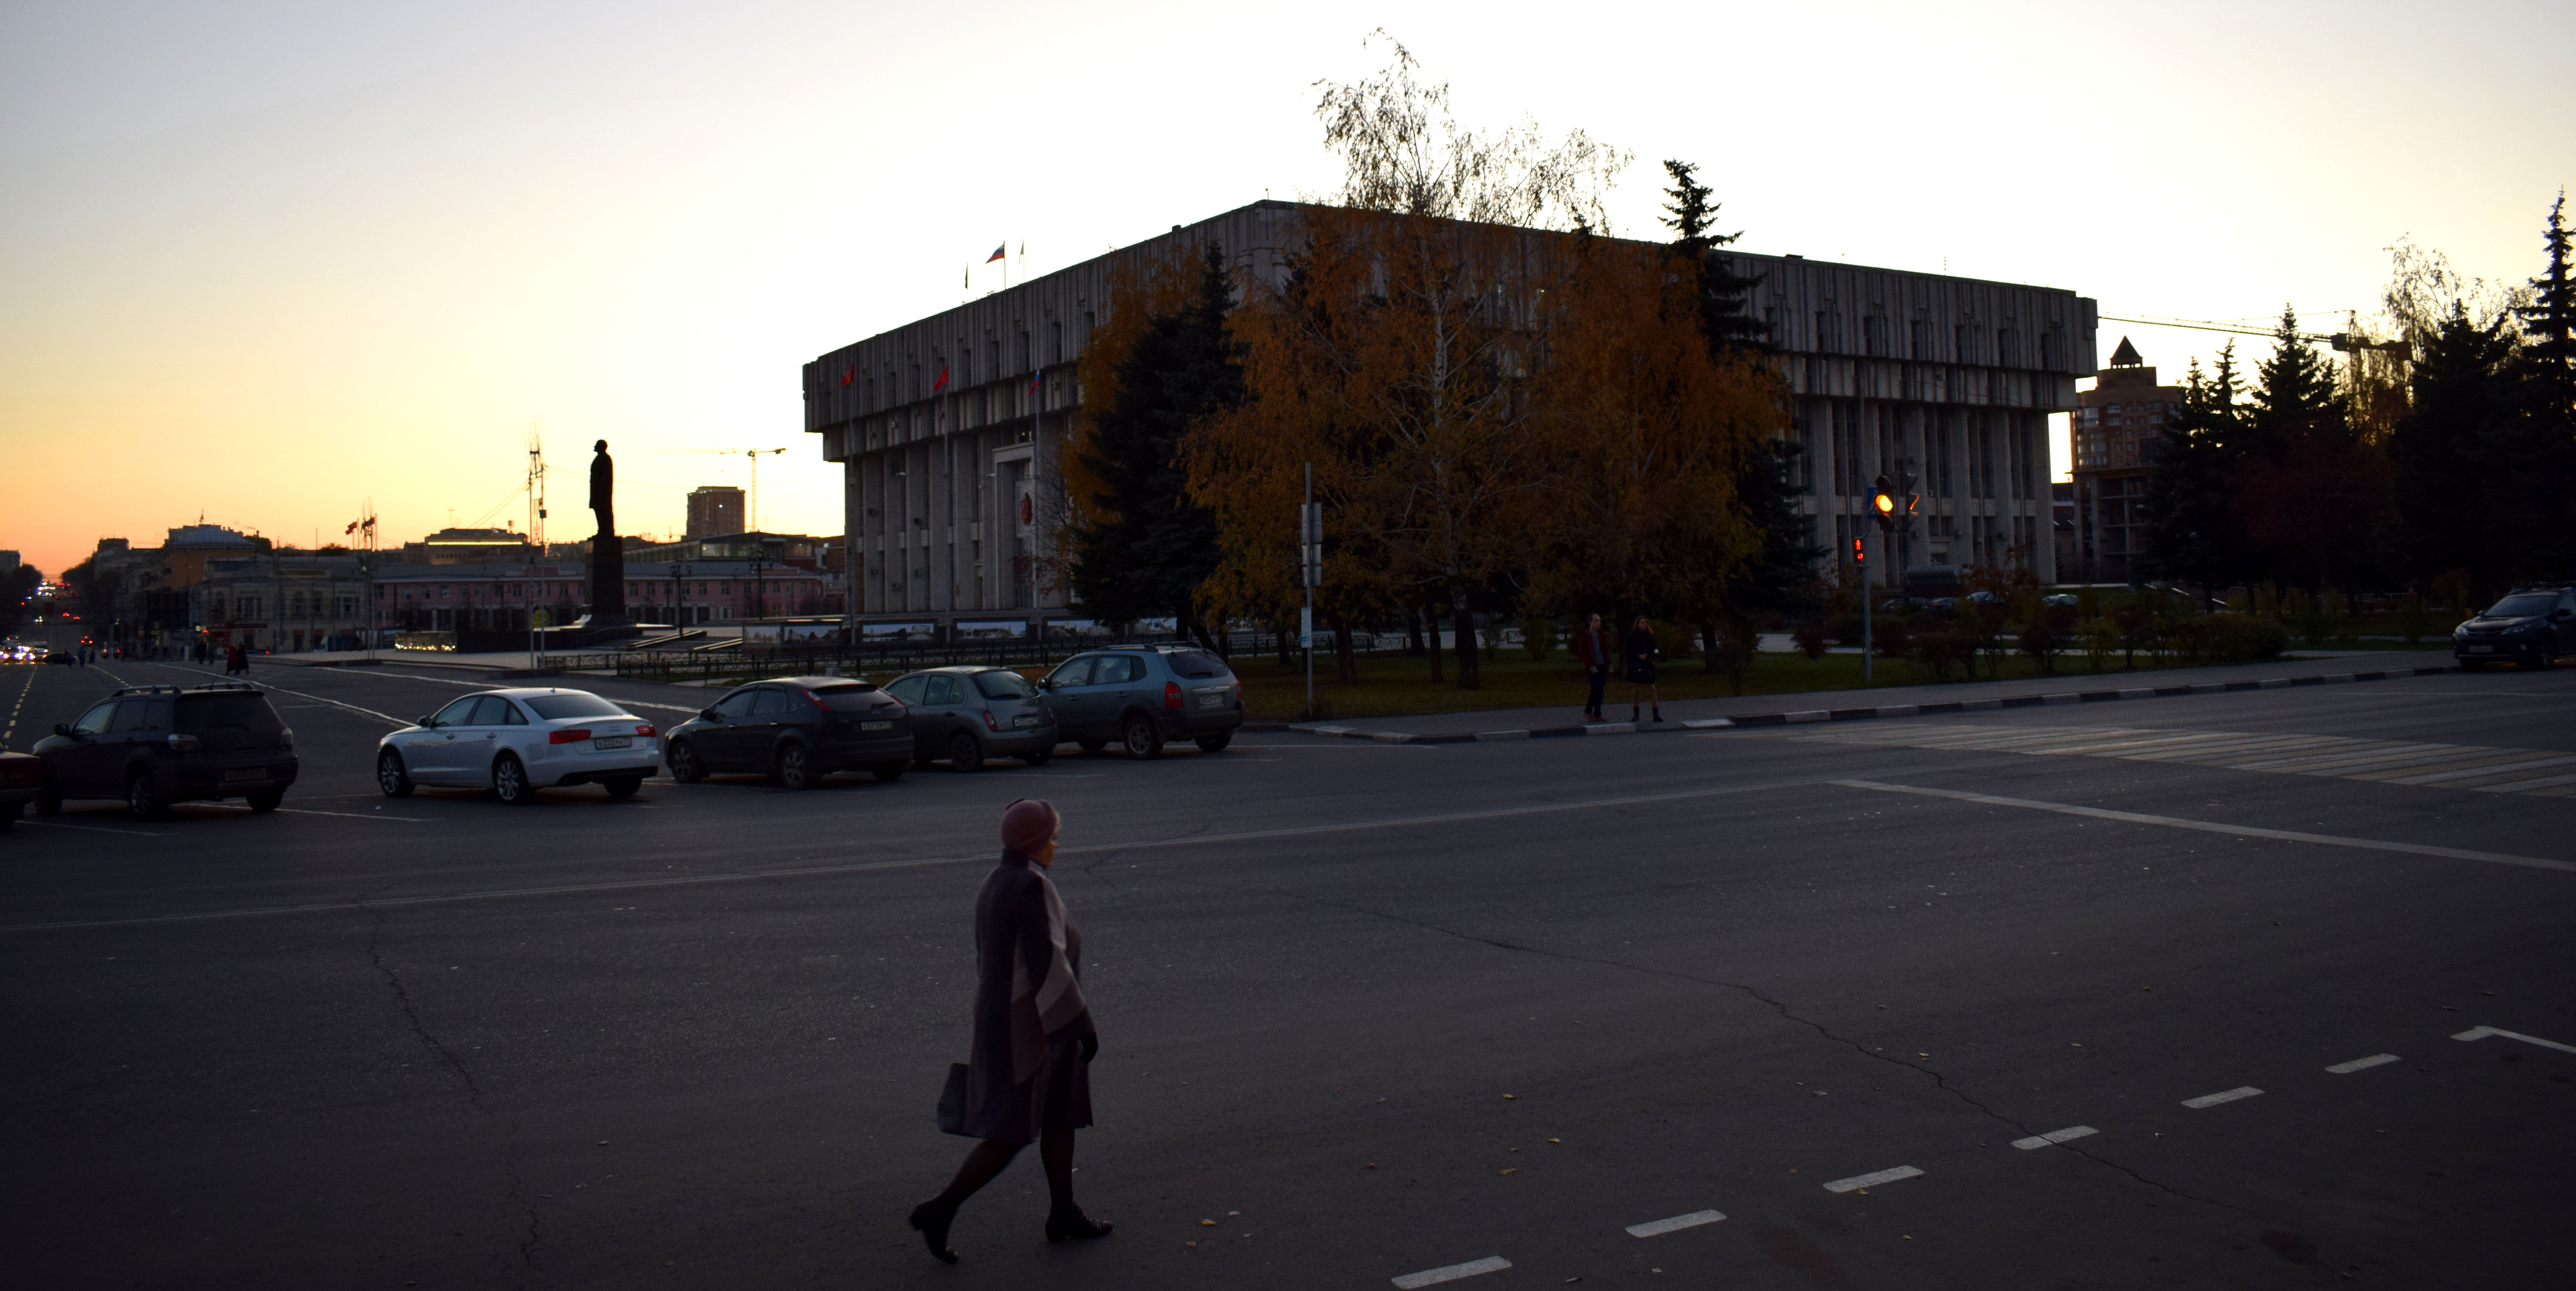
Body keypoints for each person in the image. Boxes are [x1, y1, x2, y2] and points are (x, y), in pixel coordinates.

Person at [909, 798, 1110, 1263]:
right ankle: (940, 1208)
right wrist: (1080, 1025)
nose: (1056, 844)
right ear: (1033, 841)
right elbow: (1047, 966)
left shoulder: (996, 880)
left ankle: (1064, 1210)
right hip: (1035, 1027)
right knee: (1012, 1128)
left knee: (1061, 1114)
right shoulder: (1029, 887)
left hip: (1012, 1019)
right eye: (1052, 836)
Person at [1570, 612, 1613, 721]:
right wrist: (1591, 666)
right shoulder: (1586, 636)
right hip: (1593, 667)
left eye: (1599, 621)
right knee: (1596, 689)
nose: (1599, 623)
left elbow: (1605, 650)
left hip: (1602, 665)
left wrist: (1609, 664)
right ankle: (1588, 711)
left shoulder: (1600, 635)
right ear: (1590, 623)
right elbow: (1584, 654)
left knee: (1601, 691)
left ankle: (1598, 713)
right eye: (1596, 621)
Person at [1623, 614, 1662, 724]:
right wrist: (1638, 656)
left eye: (1645, 623)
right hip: (1637, 665)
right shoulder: (1633, 637)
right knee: (1637, 690)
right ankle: (1636, 714)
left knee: (1652, 689)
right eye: (1642, 623)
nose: (1644, 625)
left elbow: (1654, 649)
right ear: (1638, 624)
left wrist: (1652, 654)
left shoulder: (1649, 636)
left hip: (1648, 665)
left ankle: (1656, 714)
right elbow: (1628, 652)